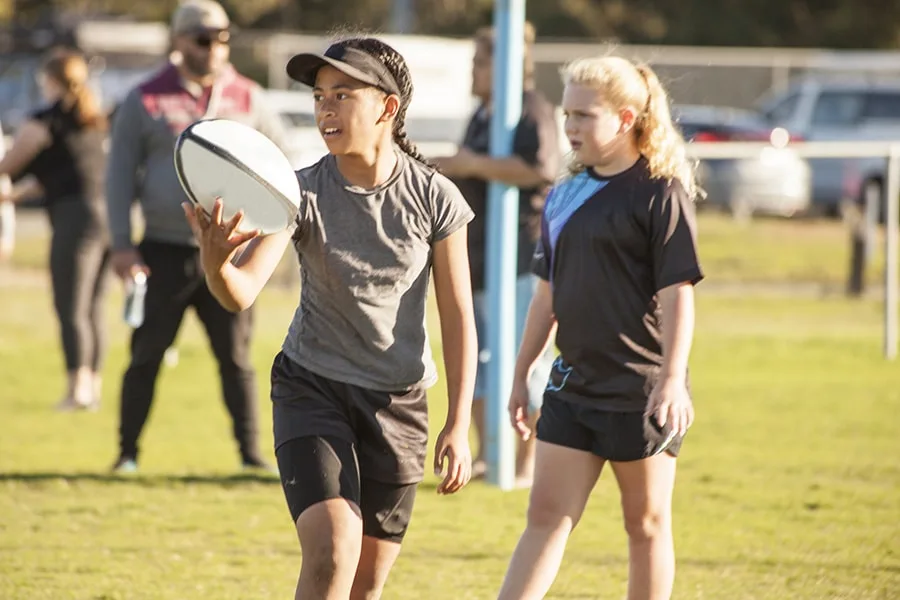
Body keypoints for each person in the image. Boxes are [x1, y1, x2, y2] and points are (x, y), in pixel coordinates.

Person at [183, 36, 477, 600]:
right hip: (311, 387)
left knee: (364, 585)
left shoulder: (436, 197)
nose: (325, 109)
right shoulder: (297, 191)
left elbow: (458, 315)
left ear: (387, 108)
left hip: (398, 406)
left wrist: (458, 425)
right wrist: (215, 260)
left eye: (342, 94)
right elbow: (238, 293)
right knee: (333, 550)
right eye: (320, 97)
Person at [497, 55, 704, 600]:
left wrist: (671, 380)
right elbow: (547, 296)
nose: (570, 128)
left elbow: (678, 295)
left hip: (641, 392)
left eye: (585, 116)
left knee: (646, 526)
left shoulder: (660, 193)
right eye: (567, 114)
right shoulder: (563, 195)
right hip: (573, 387)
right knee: (544, 517)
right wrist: (521, 376)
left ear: (627, 117)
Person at [105, 0, 286, 473]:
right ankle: (127, 453)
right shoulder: (145, 97)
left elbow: (283, 161)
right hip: (163, 250)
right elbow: (120, 174)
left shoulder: (247, 96)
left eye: (223, 37)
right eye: (203, 38)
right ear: (178, 40)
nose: (215, 47)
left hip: (230, 252)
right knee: (145, 354)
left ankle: (250, 457)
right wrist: (122, 243)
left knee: (237, 359)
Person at [433, 23, 561, 486]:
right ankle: (490, 455)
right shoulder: (483, 112)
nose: (472, 72)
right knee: (480, 360)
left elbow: (541, 168)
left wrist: (470, 165)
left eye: (479, 63)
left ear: (504, 65)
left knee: (524, 363)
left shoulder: (530, 109)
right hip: (481, 258)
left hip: (521, 260)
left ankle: (526, 465)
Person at [0, 48, 110, 411]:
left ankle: (76, 389)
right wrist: (15, 198)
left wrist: (8, 182)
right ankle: (92, 386)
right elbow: (63, 174)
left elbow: (11, 164)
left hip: (75, 221)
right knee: (93, 306)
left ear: (50, 80)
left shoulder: (43, 121)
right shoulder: (91, 121)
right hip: (106, 219)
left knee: (70, 306)